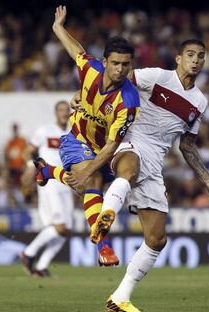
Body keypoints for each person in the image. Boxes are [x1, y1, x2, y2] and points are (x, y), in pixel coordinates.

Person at [67, 39, 209, 312]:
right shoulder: (157, 76)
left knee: (157, 239)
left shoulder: (200, 102)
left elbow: (186, 146)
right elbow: (114, 77)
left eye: (201, 56)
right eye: (190, 54)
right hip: (127, 140)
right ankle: (106, 217)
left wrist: (207, 178)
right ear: (178, 58)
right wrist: (84, 97)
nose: (196, 60)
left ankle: (120, 298)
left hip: (156, 159)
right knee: (129, 169)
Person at [34, 5, 140, 266]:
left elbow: (113, 144)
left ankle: (48, 172)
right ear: (104, 62)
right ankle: (104, 247)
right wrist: (58, 27)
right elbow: (76, 51)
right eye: (115, 63)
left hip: (106, 149)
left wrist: (85, 171)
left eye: (126, 65)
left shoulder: (128, 102)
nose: (120, 69)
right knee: (90, 182)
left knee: (90, 184)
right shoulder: (91, 70)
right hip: (77, 139)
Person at [19, 101, 73, 277]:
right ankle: (28, 253)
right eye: (61, 110)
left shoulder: (74, 132)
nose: (65, 113)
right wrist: (30, 165)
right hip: (49, 181)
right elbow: (27, 152)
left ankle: (41, 267)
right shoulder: (45, 130)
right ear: (56, 113)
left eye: (67, 110)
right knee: (59, 227)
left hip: (67, 183)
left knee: (66, 230)